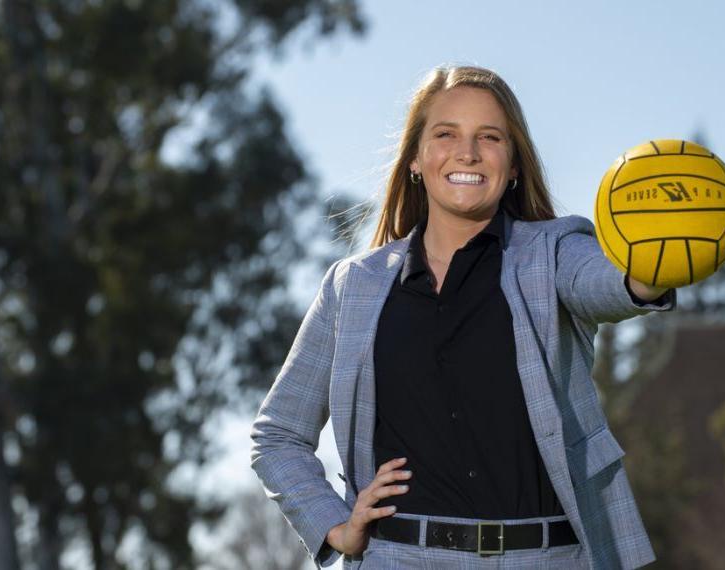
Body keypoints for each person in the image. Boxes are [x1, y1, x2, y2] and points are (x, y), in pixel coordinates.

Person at [251, 65, 676, 569]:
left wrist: (654, 265)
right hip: (398, 559)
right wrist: (334, 526)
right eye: (446, 133)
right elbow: (278, 434)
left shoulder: (556, 252)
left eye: (489, 137)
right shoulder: (353, 287)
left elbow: (608, 285)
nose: (467, 152)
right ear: (416, 157)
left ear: (514, 163)